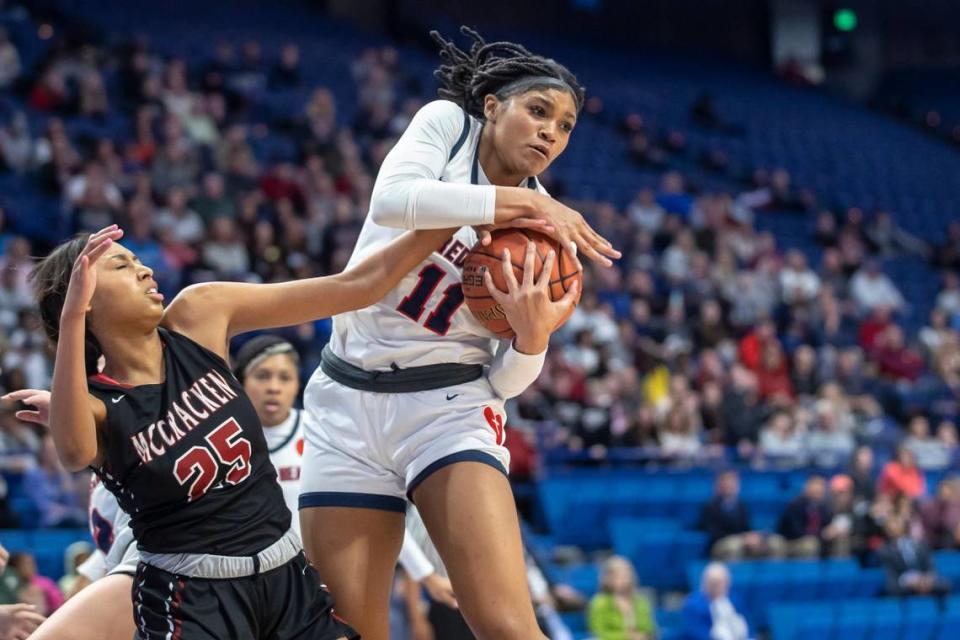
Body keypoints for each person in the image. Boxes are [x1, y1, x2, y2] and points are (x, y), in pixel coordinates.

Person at [297, 27, 617, 640]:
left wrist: (532, 340)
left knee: (504, 626)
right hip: (343, 404)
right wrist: (520, 206)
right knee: (345, 631)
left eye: (566, 125)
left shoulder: (546, 236)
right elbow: (393, 200)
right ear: (493, 107)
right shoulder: (447, 126)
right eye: (538, 110)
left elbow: (506, 381)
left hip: (448, 409)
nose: (551, 132)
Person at [19, 220, 473, 640]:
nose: (145, 270)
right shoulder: (96, 403)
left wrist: (457, 214)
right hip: (191, 596)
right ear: (86, 297)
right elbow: (75, 452)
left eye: (138, 259)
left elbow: (355, 286)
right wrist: (73, 316)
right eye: (122, 265)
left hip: (284, 572)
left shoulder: (200, 314)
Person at [698, 470, 785, 561]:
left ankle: (771, 573)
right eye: (728, 483)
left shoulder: (741, 506)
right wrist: (741, 537)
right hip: (720, 543)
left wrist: (753, 537)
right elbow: (714, 533)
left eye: (734, 483)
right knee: (734, 547)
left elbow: (746, 527)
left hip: (741, 540)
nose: (731, 486)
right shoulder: (710, 507)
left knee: (775, 543)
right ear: (719, 486)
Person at [587, 556, 656, 640]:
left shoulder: (641, 601)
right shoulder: (599, 602)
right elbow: (598, 632)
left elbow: (650, 629)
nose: (623, 580)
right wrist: (628, 636)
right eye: (617, 577)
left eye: (626, 576)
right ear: (607, 579)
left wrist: (643, 636)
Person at [880, 517, 951, 597]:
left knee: (944, 584)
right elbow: (891, 576)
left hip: (924, 581)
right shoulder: (885, 551)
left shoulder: (921, 545)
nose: (895, 527)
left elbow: (930, 567)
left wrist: (926, 579)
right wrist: (910, 582)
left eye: (897, 522)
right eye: (892, 524)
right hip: (903, 585)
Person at [681, 562, 749, 640]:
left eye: (722, 583)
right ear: (705, 583)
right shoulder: (693, 605)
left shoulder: (734, 599)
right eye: (714, 583)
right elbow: (696, 632)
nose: (718, 587)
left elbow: (748, 624)